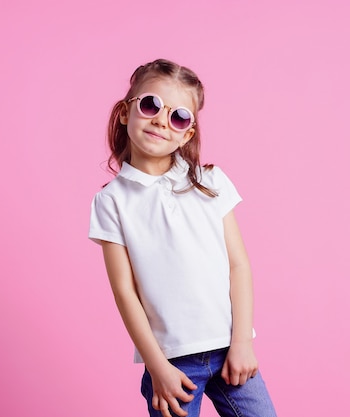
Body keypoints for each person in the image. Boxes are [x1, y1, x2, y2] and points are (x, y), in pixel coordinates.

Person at [89, 59, 277, 417]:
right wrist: (157, 367)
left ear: (187, 133)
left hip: (229, 350)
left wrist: (242, 343)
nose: (161, 120)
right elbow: (124, 291)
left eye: (178, 117)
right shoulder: (111, 201)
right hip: (171, 363)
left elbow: (238, 265)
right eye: (150, 105)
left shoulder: (212, 182)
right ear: (126, 113)